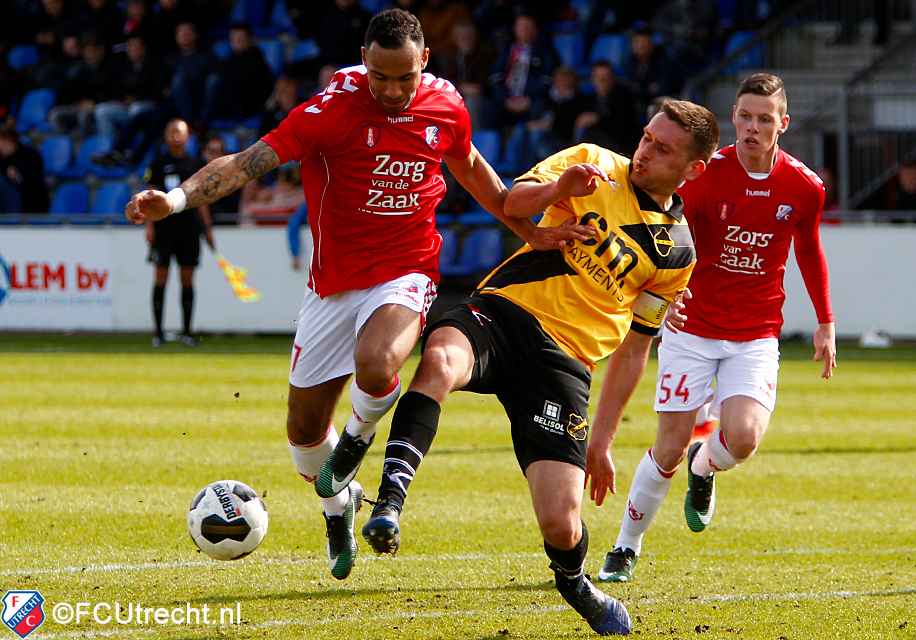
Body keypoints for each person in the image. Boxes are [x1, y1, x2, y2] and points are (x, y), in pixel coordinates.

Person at [123, 8, 591, 582]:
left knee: (377, 365)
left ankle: (359, 438)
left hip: (407, 269)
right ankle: (339, 505)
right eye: (380, 77)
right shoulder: (330, 110)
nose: (393, 91)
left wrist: (530, 230)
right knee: (301, 435)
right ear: (364, 62)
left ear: (424, 61)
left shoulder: (446, 104)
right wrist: (173, 201)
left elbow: (471, 169)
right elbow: (248, 163)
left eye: (404, 78)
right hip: (333, 283)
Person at [353, 100, 718, 635]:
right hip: (503, 312)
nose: (645, 151)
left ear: (693, 169)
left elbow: (637, 348)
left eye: (662, 148)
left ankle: (573, 583)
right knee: (437, 362)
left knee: (561, 522)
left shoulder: (677, 254)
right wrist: (559, 189)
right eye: (646, 137)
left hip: (563, 365)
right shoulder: (593, 162)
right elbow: (511, 201)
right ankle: (389, 502)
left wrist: (602, 441)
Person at [594, 73, 837, 584]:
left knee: (744, 439)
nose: (753, 127)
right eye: (745, 116)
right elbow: (668, 229)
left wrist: (825, 321)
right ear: (734, 117)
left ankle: (705, 467)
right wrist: (666, 290)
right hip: (692, 326)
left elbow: (809, 250)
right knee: (668, 446)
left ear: (782, 125)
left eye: (764, 119)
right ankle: (625, 546)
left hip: (755, 331)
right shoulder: (706, 177)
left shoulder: (804, 186)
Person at [144, 118, 214, 347]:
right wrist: (150, 226)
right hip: (164, 228)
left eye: (181, 132)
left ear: (188, 136)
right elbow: (149, 196)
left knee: (187, 278)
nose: (176, 136)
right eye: (172, 131)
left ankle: (186, 331)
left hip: (189, 228)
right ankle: (158, 333)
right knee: (161, 277)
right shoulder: (157, 163)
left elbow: (201, 199)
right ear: (166, 135)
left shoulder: (195, 164)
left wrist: (207, 228)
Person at [0, 119, 49, 214]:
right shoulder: (1, 158)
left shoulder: (30, 155)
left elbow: (35, 181)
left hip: (28, 200)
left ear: (8, 141)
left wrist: (18, 177)